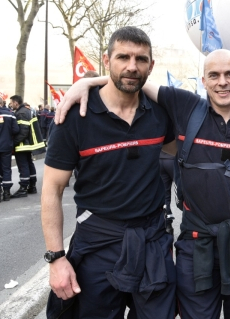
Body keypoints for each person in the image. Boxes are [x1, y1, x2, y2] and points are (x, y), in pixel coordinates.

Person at [57, 49, 230, 319]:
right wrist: (85, 82)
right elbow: (134, 80)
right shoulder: (185, 106)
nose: (222, 82)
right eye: (214, 75)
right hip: (196, 246)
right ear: (203, 80)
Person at [41, 26, 177, 318]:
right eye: (122, 57)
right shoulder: (74, 118)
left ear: (151, 66)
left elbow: (187, 150)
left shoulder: (160, 113)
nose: (132, 66)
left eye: (141, 59)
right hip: (98, 244)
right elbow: (51, 191)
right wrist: (56, 259)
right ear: (106, 59)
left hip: (152, 241)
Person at [9, 95, 46, 198]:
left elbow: (23, 131)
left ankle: (23, 188)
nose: (10, 105)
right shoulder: (27, 110)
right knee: (29, 164)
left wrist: (14, 143)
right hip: (28, 144)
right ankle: (32, 186)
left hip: (22, 145)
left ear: (16, 102)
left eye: (11, 103)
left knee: (23, 165)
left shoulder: (21, 113)